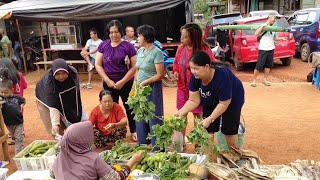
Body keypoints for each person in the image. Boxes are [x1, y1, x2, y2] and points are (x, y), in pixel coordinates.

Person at [176, 51, 244, 148]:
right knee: (207, 129)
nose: (193, 71)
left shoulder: (223, 75)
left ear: (207, 67)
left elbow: (224, 103)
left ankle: (233, 154)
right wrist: (180, 112)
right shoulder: (195, 77)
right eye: (191, 68)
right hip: (211, 97)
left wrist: (211, 118)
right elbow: (193, 100)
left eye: (196, 68)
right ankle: (210, 158)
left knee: (229, 129)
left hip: (232, 99)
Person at [51, 121, 143, 180]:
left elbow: (52, 174)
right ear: (83, 139)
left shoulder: (61, 156)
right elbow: (116, 179)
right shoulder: (93, 158)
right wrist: (133, 161)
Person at [95, 20, 138, 142]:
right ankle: (114, 132)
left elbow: (134, 66)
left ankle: (134, 130)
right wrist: (107, 80)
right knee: (110, 107)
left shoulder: (128, 46)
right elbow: (98, 64)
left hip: (126, 83)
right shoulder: (103, 45)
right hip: (109, 83)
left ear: (121, 32)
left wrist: (123, 81)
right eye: (111, 32)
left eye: (116, 32)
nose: (114, 35)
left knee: (129, 107)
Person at [173, 23, 214, 147]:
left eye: (185, 37)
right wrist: (175, 71)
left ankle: (199, 146)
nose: (182, 39)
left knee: (198, 118)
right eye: (182, 36)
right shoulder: (181, 48)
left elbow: (211, 69)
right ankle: (179, 146)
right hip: (182, 89)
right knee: (181, 117)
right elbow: (176, 62)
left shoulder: (205, 50)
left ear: (194, 37)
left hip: (198, 91)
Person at [35, 58, 88, 136]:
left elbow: (75, 96)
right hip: (45, 101)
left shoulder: (73, 73)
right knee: (57, 130)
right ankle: (60, 144)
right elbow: (53, 106)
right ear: (53, 73)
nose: (61, 76)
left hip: (63, 95)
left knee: (72, 121)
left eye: (63, 73)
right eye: (58, 74)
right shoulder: (49, 85)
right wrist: (55, 124)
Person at [135, 24, 164, 149]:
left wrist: (145, 83)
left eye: (139, 36)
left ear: (146, 37)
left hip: (153, 88)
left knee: (154, 117)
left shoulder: (157, 52)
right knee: (140, 116)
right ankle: (143, 146)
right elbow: (137, 71)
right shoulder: (140, 51)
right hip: (139, 89)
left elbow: (160, 74)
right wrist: (134, 86)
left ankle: (158, 147)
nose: (137, 38)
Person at [251, 13, 287, 87]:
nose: (275, 20)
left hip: (271, 48)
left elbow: (274, 38)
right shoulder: (263, 25)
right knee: (259, 66)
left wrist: (281, 38)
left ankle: (265, 80)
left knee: (268, 65)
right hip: (263, 49)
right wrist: (262, 26)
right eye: (274, 18)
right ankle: (254, 80)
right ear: (270, 17)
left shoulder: (273, 28)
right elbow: (256, 33)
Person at [0, 58, 27, 143]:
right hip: (19, 104)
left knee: (10, 122)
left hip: (8, 105)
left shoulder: (4, 80)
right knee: (19, 122)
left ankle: (17, 137)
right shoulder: (19, 75)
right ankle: (19, 136)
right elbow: (25, 86)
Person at [0, 78, 25, 154]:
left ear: (12, 90)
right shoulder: (1, 98)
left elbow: (23, 100)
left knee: (18, 137)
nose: (4, 94)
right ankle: (16, 139)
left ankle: (18, 153)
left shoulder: (17, 97)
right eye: (1, 92)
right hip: (8, 123)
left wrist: (21, 105)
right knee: (13, 135)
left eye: (6, 92)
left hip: (18, 122)